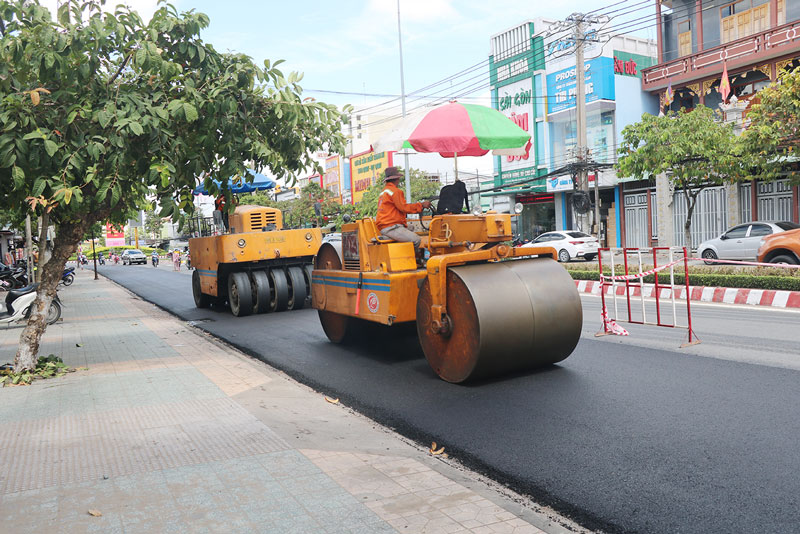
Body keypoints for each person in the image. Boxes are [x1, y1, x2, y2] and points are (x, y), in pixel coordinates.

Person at [375, 166, 431, 253]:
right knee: (416, 240)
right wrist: (421, 205)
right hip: (391, 227)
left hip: (384, 225)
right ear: (396, 179)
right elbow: (404, 207)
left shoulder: (384, 191)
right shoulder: (395, 191)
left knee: (411, 227)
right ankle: (413, 260)